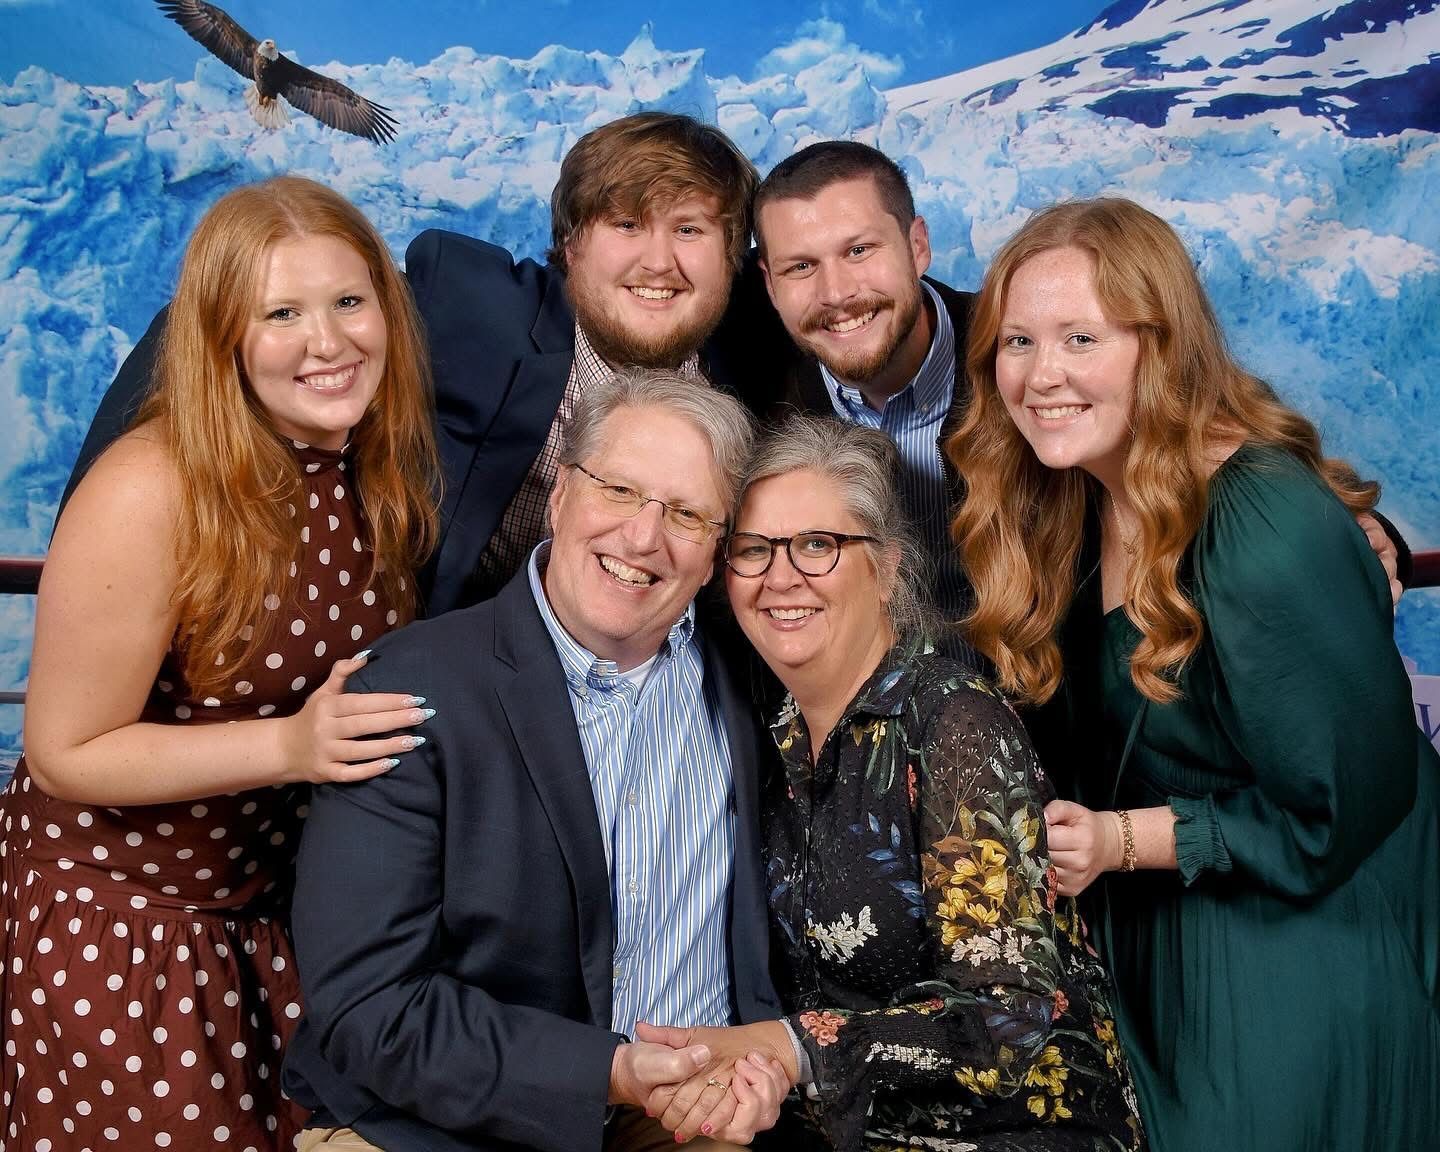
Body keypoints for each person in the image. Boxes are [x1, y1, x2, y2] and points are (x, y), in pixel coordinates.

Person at [948, 197, 1440, 1152]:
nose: (1041, 376)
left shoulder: (1261, 531)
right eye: (1016, 342)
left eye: (1081, 337)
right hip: (1156, 925)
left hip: (1305, 937)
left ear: (1159, 346)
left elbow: (1339, 814)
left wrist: (1125, 839)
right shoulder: (1077, 496)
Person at [0, 176, 439, 1148]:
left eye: (348, 301)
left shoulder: (379, 467)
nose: (327, 342)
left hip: (274, 925)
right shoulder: (152, 488)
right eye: (281, 312)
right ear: (222, 335)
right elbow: (67, 749)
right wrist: (291, 745)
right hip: (127, 929)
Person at [282, 370, 790, 1152]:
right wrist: (608, 1072)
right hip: (440, 1124)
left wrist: (761, 1068)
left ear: (718, 550)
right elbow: (368, 1008)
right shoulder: (411, 687)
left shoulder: (756, 679)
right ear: (559, 497)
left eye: (687, 514)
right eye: (618, 490)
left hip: (693, 1114)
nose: (644, 537)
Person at [644, 416, 1145, 1151]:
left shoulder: (954, 724)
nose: (781, 577)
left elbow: (1010, 1017)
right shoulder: (768, 735)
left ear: (886, 567)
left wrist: (795, 1047)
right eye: (753, 551)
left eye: (818, 545)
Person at [61, 111, 783, 618]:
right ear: (568, 246)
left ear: (734, 259)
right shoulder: (473, 311)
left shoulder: (765, 354)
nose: (659, 262)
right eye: (626, 224)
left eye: (690, 230)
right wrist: (96, 543)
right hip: (442, 689)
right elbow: (204, 325)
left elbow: (870, 300)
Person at [749, 141, 1409, 629]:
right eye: (801, 266)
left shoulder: (1028, 346)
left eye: (860, 251)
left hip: (1078, 743)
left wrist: (1358, 532)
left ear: (917, 245)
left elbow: (1210, 421)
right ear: (770, 285)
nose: (837, 293)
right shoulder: (759, 405)